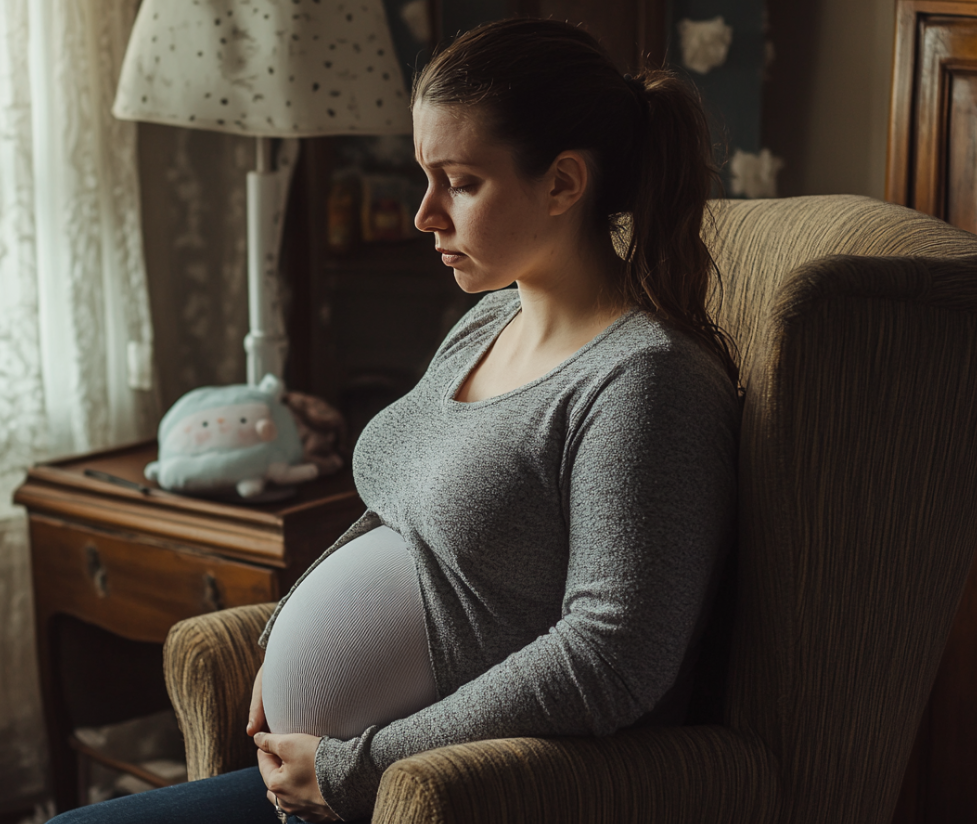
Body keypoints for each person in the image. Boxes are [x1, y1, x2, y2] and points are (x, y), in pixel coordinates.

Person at [50, 16, 740, 824]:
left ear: (562, 184)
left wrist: (360, 766)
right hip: (331, 789)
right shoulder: (490, 321)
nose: (425, 215)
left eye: (461, 182)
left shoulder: (645, 381)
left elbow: (614, 654)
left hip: (442, 798)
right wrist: (286, 630)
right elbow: (400, 508)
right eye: (424, 176)